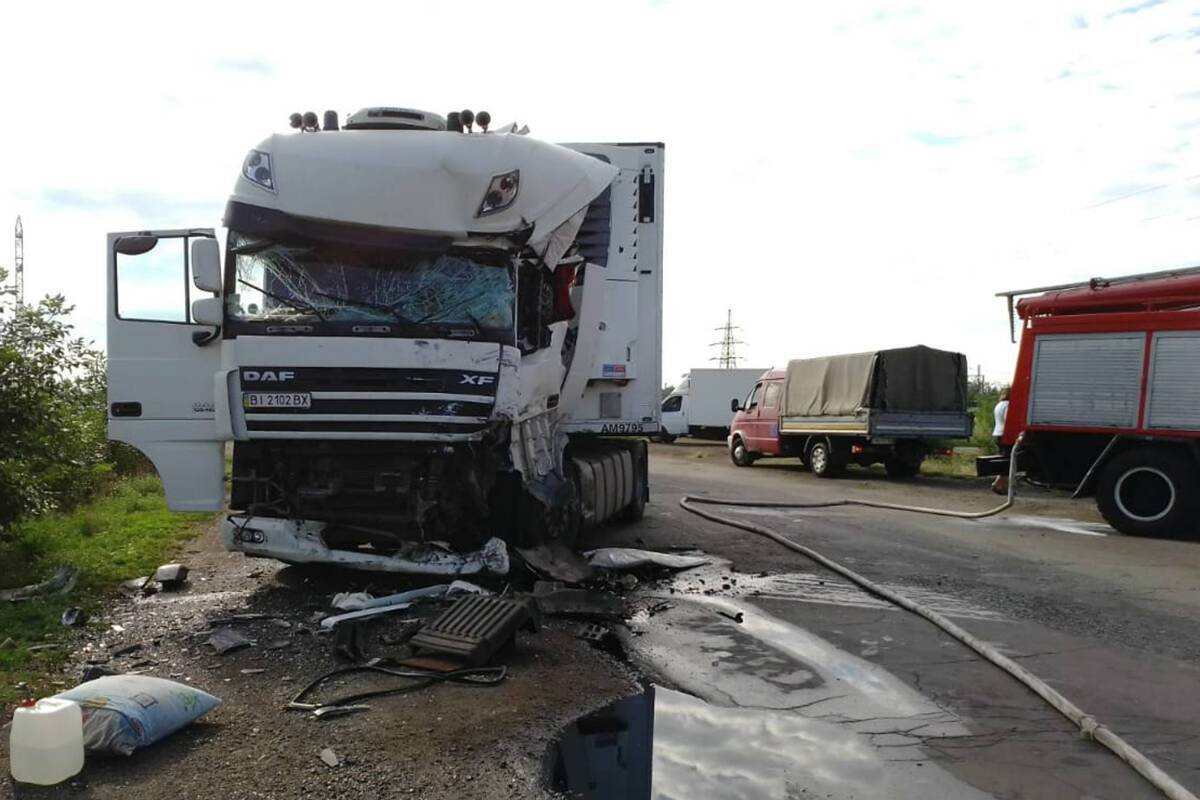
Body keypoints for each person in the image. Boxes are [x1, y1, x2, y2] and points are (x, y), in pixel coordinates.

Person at [991, 389, 1011, 494]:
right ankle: (998, 483)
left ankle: (1004, 486)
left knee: (1004, 460)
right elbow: (1008, 419)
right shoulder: (1008, 405)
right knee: (1008, 462)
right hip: (1004, 434)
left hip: (996, 433)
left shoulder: (999, 405)